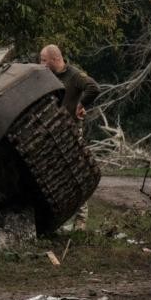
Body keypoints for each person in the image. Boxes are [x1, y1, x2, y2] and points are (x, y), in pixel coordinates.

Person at [40, 44, 101, 231]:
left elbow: (93, 87)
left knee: (75, 173)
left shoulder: (73, 75)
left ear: (55, 59)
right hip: (52, 132)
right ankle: (58, 218)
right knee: (54, 177)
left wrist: (81, 104)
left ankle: (81, 220)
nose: (41, 63)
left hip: (71, 131)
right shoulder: (46, 76)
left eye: (44, 60)